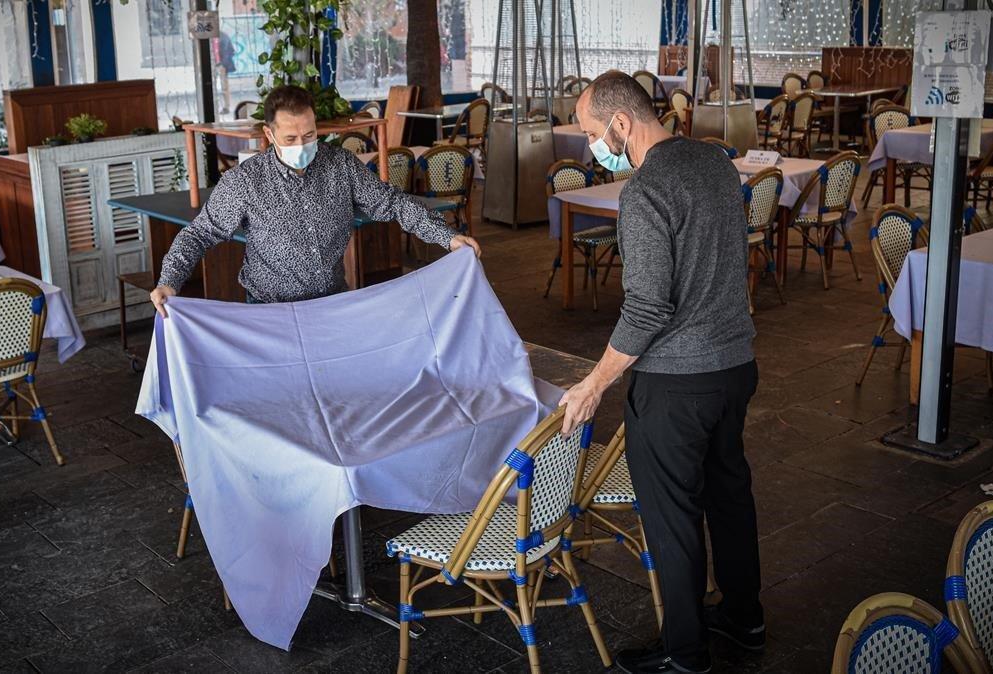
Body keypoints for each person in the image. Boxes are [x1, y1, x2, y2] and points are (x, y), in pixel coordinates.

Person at [558, 71, 762, 674]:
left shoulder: (644, 193)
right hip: (735, 367)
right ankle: (745, 619)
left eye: (594, 132)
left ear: (621, 124)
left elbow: (648, 307)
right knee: (730, 499)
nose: (592, 146)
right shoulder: (715, 162)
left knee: (672, 520)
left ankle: (686, 652)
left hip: (677, 384)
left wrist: (594, 385)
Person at [150, 85, 480, 313]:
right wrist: (170, 282)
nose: (301, 144)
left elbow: (391, 202)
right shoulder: (244, 182)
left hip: (331, 303)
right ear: (269, 134)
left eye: (309, 135)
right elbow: (198, 234)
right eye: (290, 138)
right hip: (270, 308)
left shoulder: (341, 165)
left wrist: (447, 237)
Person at [216, 31, 237, 114]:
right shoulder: (211, 36)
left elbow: (230, 51)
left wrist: (223, 64)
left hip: (221, 64)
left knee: (224, 86)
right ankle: (222, 106)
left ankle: (226, 106)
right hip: (214, 63)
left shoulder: (223, 36)